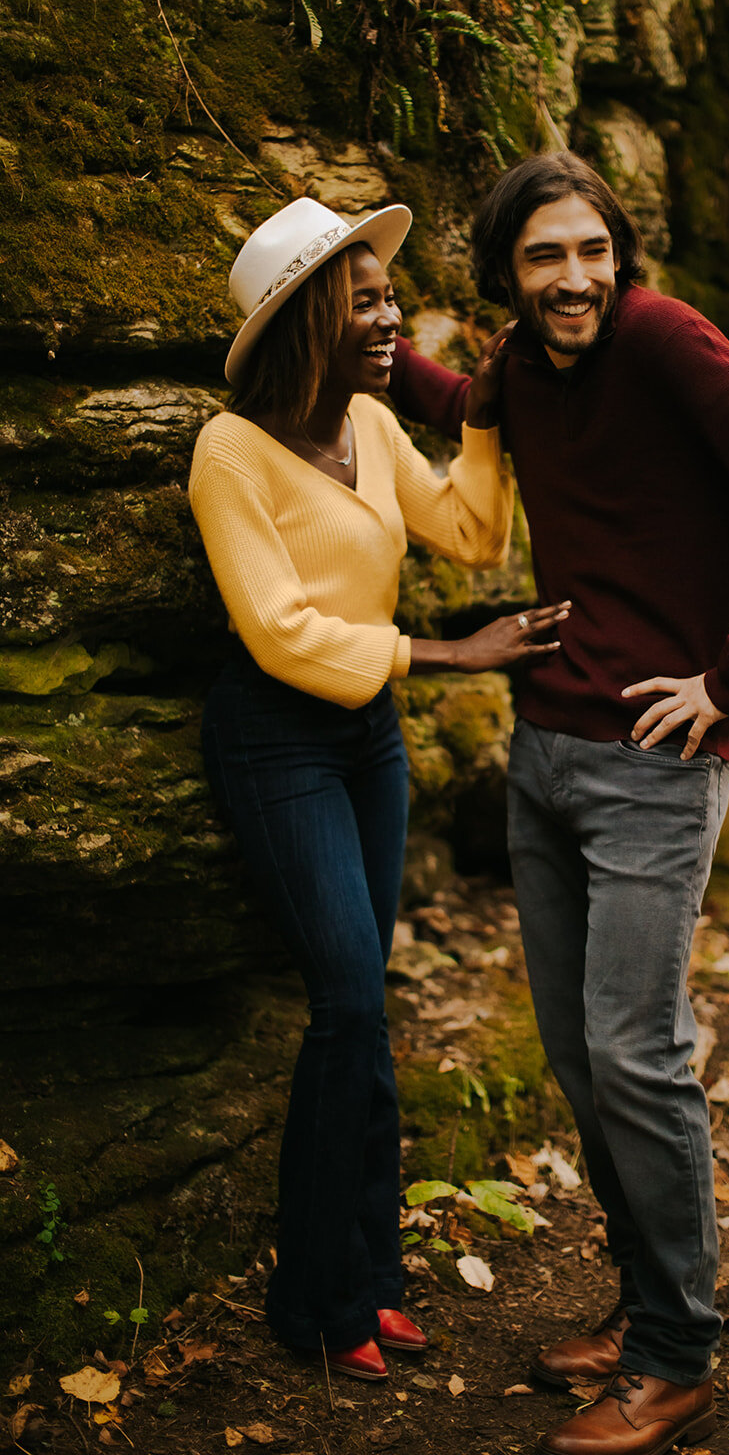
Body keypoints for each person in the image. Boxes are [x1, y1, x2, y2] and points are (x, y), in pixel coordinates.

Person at [387, 152, 729, 1455]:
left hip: (654, 766)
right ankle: (647, 1300)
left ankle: (673, 1355)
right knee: (585, 1063)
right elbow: (462, 400)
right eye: (545, 256)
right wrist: (359, 351)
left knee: (637, 1058)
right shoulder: (527, 369)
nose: (575, 276)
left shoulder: (657, 338)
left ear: (620, 254)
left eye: (592, 249)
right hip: (542, 753)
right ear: (507, 274)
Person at [188, 197, 568, 1385]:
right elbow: (278, 629)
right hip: (278, 739)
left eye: (388, 296)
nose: (392, 315)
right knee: (347, 998)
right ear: (308, 313)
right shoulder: (228, 452)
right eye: (367, 298)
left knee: (369, 1013)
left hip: (368, 737)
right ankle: (312, 1298)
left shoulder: (367, 418)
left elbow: (472, 534)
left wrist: (490, 421)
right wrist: (450, 655)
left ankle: (372, 1279)